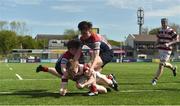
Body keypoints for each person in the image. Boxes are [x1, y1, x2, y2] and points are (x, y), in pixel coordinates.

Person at [75, 21, 119, 90]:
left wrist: (91, 67)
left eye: (85, 33)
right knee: (95, 74)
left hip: (107, 53)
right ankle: (109, 79)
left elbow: (96, 57)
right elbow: (78, 52)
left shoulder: (95, 39)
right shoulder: (82, 38)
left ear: (90, 31)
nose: (83, 35)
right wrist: (74, 62)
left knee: (90, 69)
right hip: (98, 54)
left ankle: (94, 89)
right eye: (82, 33)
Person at [152, 18, 179, 85]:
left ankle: (155, 80)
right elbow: (158, 39)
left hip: (167, 50)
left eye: (164, 22)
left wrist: (169, 44)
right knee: (163, 64)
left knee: (161, 64)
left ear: (167, 23)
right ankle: (173, 68)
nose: (163, 24)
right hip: (160, 49)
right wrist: (155, 44)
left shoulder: (171, 30)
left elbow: (177, 40)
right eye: (162, 22)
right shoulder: (160, 30)